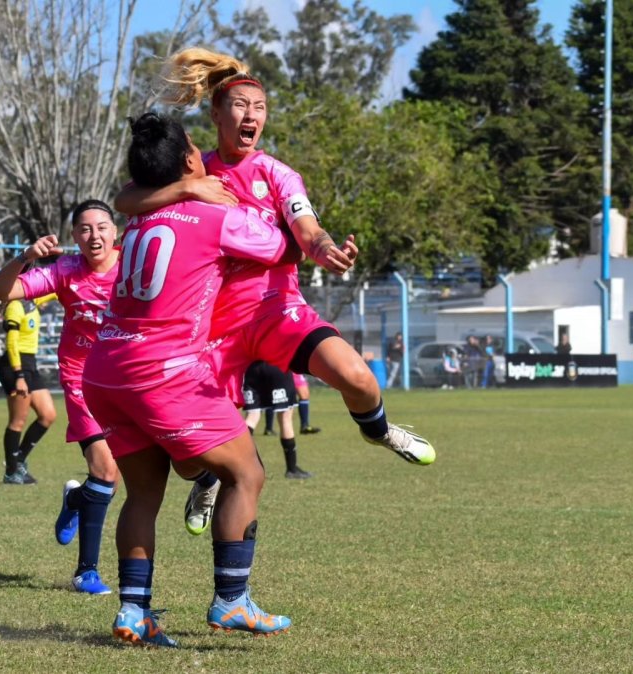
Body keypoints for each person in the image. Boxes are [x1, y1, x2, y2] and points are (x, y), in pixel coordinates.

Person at [115, 48, 435, 486]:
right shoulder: (192, 167)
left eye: (260, 107)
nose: (252, 115)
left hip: (275, 311)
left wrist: (324, 249)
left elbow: (307, 229)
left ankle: (379, 431)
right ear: (216, 113)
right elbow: (125, 200)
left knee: (358, 378)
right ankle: (206, 480)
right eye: (241, 105)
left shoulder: (278, 174)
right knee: (187, 464)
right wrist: (189, 190)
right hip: (211, 328)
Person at [82, 112, 298, 647]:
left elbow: (131, 194)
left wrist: (184, 185)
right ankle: (231, 601)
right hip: (163, 371)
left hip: (106, 370)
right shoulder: (214, 218)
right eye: (196, 150)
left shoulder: (137, 221)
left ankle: (134, 612)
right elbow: (279, 246)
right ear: (186, 164)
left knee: (142, 496)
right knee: (246, 473)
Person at [0, 199, 122, 595]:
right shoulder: (65, 270)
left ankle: (76, 500)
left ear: (115, 232)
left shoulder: (136, 263)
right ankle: (86, 572)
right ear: (74, 237)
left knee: (116, 479)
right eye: (84, 229)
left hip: (128, 376)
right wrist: (26, 257)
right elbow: (0, 291)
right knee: (106, 471)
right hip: (82, 378)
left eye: (101, 227)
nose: (93, 235)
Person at [0, 294, 57, 485]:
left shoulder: (31, 302)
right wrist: (19, 375)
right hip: (15, 366)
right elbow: (11, 343)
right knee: (17, 421)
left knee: (48, 415)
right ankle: (11, 472)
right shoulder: (15, 306)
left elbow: (55, 289)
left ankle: (19, 460)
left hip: (30, 364)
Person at [243, 361, 312, 479]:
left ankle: (238, 464)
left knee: (252, 416)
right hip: (277, 365)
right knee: (285, 417)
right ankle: (292, 469)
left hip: (252, 368)